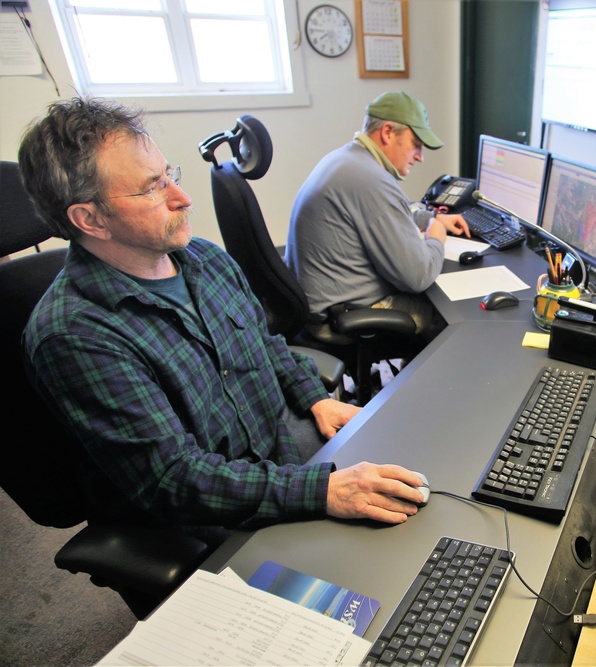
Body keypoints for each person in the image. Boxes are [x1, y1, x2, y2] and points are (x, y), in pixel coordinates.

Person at [18, 97, 427, 533]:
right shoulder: (77, 336)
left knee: (424, 483)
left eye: (168, 175)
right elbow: (173, 479)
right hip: (213, 509)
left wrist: (316, 397)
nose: (181, 197)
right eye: (152, 187)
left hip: (281, 444)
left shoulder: (204, 260)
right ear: (90, 219)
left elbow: (266, 343)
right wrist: (323, 491)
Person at [285, 91, 469, 344]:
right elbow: (419, 276)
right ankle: (416, 384)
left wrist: (429, 218)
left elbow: (385, 216)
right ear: (388, 133)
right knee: (453, 318)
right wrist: (436, 236)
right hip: (343, 315)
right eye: (416, 145)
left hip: (319, 302)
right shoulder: (372, 180)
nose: (420, 156)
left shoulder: (347, 160)